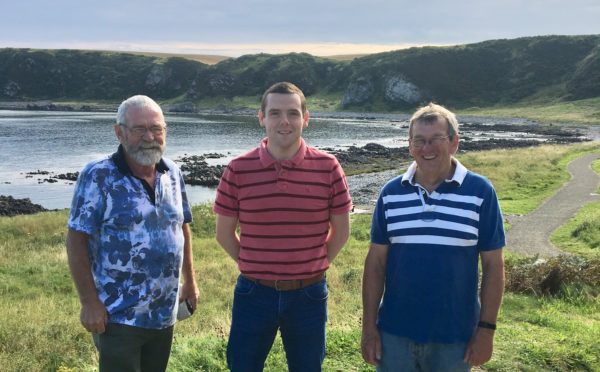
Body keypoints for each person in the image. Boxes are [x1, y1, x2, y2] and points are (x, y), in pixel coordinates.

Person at [213, 81, 352, 371]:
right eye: (275, 113)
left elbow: (342, 231)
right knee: (243, 366)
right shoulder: (238, 169)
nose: (284, 121)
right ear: (261, 117)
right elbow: (224, 233)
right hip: (254, 293)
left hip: (309, 294)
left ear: (306, 118)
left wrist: (315, 263)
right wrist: (253, 264)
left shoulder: (329, 167)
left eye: (292, 113)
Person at [361, 103, 505, 371]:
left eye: (436, 139)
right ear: (410, 145)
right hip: (394, 334)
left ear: (454, 143)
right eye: (419, 141)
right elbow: (376, 263)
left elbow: (494, 266)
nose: (427, 148)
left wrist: (486, 330)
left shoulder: (481, 192)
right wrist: (369, 328)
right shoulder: (391, 193)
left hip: (455, 338)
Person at [66, 95, 199, 372]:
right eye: (139, 129)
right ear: (120, 132)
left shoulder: (172, 172)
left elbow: (182, 227)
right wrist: (89, 302)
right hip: (118, 316)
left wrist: (190, 282)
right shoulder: (98, 176)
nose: (149, 136)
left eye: (157, 129)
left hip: (164, 314)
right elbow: (76, 239)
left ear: (165, 132)